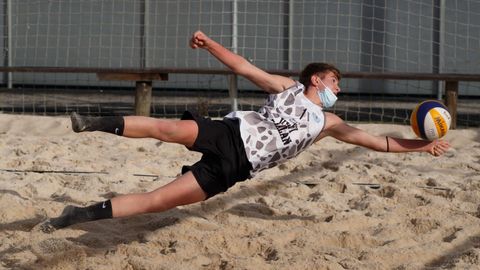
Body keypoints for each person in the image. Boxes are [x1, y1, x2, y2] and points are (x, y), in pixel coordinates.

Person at [39, 31, 450, 232]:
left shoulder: (330, 124)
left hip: (237, 168)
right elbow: (243, 66)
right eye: (334, 81)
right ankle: (91, 122)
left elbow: (380, 143)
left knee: (158, 202)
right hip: (230, 135)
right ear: (316, 80)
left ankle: (77, 216)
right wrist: (210, 44)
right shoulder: (287, 87)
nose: (338, 89)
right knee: (165, 128)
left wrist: (421, 146)